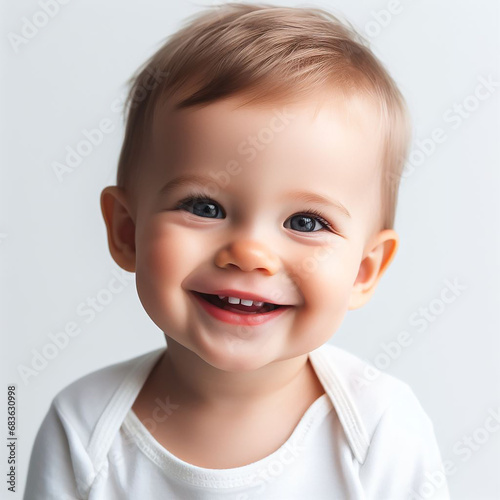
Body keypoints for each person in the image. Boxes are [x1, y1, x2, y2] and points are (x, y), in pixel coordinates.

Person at [24, 3, 450, 499]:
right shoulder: (82, 427)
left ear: (363, 270)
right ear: (126, 231)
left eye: (306, 222)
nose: (249, 253)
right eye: (204, 207)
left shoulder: (382, 429)